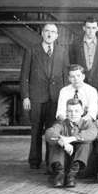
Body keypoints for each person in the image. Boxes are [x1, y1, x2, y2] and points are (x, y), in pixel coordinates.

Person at [20, 23, 69, 169]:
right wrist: (25, 97)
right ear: (42, 33)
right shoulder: (31, 50)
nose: (49, 34)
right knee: (35, 130)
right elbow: (24, 76)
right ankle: (34, 161)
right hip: (36, 98)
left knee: (51, 130)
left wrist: (64, 99)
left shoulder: (62, 51)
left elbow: (66, 76)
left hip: (55, 98)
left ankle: (50, 161)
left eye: (53, 32)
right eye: (47, 31)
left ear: (57, 35)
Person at [45, 98, 98, 188]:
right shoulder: (62, 123)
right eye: (70, 111)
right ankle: (59, 174)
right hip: (64, 162)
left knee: (86, 143)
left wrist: (71, 139)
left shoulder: (87, 123)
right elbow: (49, 133)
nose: (73, 114)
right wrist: (62, 142)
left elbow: (92, 133)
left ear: (82, 112)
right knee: (56, 142)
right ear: (66, 112)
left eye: (76, 111)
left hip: (81, 167)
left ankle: (72, 175)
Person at [69, 17, 98, 91]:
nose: (91, 31)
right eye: (88, 28)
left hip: (97, 83)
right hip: (79, 82)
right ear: (84, 28)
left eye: (93, 28)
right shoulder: (75, 43)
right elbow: (72, 63)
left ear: (97, 28)